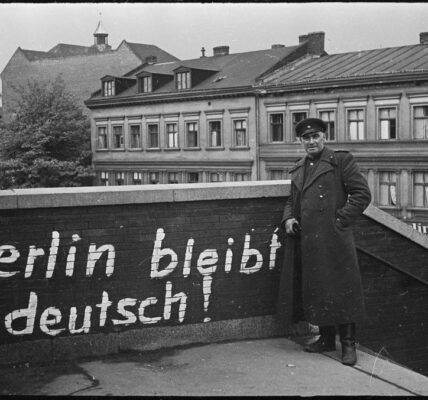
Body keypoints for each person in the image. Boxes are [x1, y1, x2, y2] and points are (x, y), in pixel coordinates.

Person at [277, 117, 372, 366]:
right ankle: (326, 339)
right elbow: (292, 199)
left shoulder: (340, 161)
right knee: (319, 289)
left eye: (315, 136)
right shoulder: (300, 167)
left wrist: (339, 221)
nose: (311, 141)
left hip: (334, 240)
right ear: (301, 141)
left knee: (342, 291)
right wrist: (288, 219)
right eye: (306, 138)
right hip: (309, 241)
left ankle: (349, 346)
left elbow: (362, 194)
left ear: (324, 137)